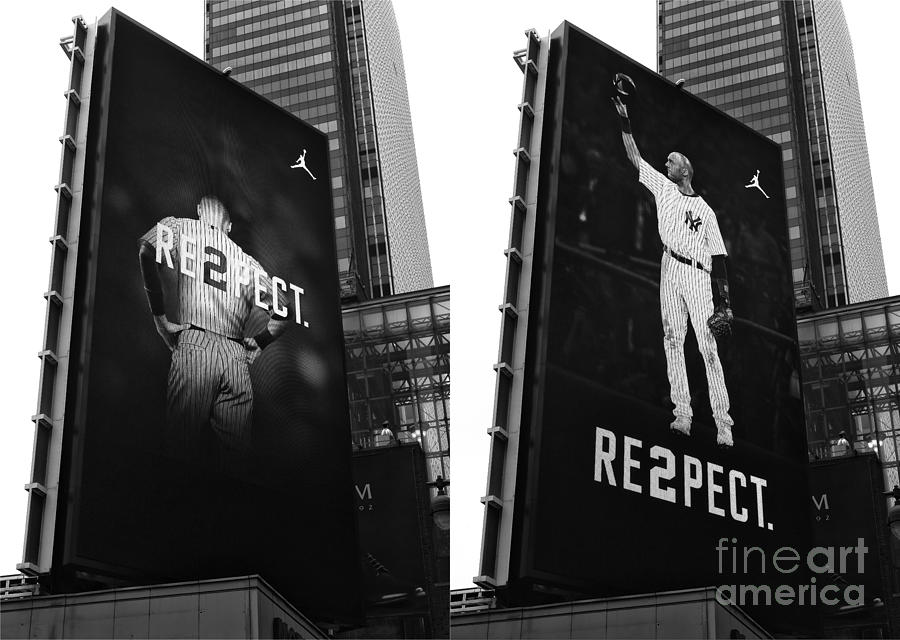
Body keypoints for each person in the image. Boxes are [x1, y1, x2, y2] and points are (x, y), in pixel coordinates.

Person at [613, 96, 735, 447]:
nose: (666, 163)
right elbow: (635, 158)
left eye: (672, 161)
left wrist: (724, 301)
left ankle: (723, 423)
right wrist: (625, 121)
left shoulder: (707, 211)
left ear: (686, 170)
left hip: (698, 274)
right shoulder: (663, 188)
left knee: (707, 347)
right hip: (669, 265)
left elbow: (721, 258)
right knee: (672, 340)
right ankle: (682, 411)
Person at [138, 195, 290, 462]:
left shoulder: (180, 227)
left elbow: (146, 251)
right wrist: (261, 341)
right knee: (235, 465)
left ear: (199, 211)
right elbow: (285, 310)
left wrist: (160, 319)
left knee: (179, 451)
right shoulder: (247, 262)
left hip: (196, 343)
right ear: (229, 227)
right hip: (236, 357)